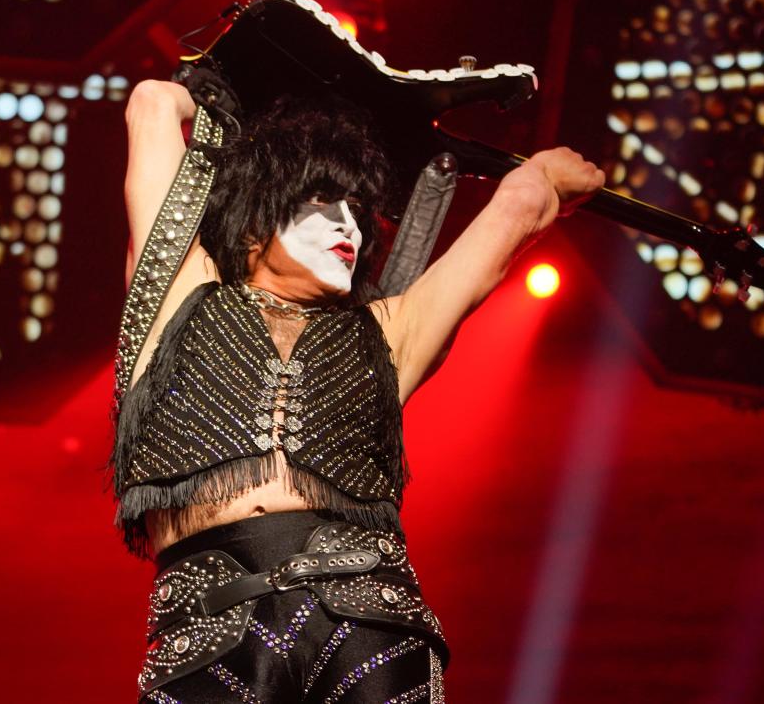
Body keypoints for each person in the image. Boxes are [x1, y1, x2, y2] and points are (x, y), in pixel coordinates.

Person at [111, 78, 605, 702]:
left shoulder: (387, 330)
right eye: (321, 198)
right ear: (253, 225)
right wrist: (241, 93)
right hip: (208, 627)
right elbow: (155, 103)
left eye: (356, 209)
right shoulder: (178, 296)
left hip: (366, 618)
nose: (348, 224)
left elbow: (510, 218)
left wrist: (546, 177)